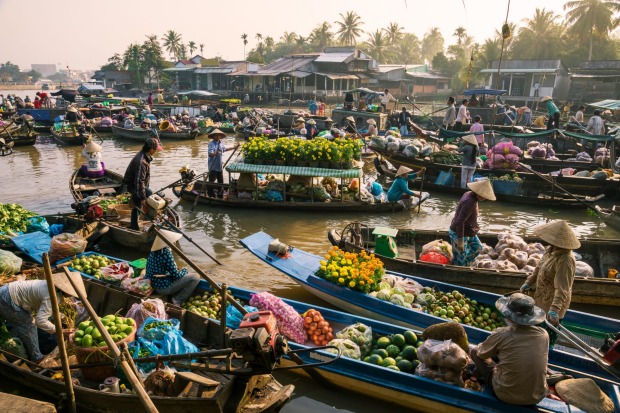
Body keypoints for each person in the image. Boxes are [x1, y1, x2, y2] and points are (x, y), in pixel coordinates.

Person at [470, 293, 549, 406]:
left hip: (505, 394)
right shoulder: (544, 335)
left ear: (508, 316)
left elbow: (480, 353)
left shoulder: (502, 333)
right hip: (536, 396)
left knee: (474, 352)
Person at [0, 271, 85, 361]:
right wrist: (61, 331)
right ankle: (37, 358)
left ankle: (16, 342)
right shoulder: (52, 296)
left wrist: (61, 317)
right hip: (6, 300)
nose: (72, 295)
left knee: (23, 324)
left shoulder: (51, 287)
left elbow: (47, 309)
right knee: (29, 325)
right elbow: (40, 321)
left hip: (7, 291)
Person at [522, 219, 580, 346]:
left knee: (546, 339)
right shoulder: (550, 250)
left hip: (552, 305)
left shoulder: (565, 260)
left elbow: (563, 288)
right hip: (540, 299)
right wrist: (529, 282)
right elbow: (538, 268)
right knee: (536, 334)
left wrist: (554, 310)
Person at [145, 230, 200, 306]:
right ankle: (177, 300)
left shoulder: (153, 251)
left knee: (180, 272)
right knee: (195, 277)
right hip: (162, 287)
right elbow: (176, 275)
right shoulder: (166, 252)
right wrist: (185, 270)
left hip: (153, 283)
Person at [449, 179, 496, 266]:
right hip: (458, 233)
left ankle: (464, 262)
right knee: (460, 258)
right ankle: (459, 266)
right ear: (479, 194)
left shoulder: (469, 194)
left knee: (477, 248)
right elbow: (460, 222)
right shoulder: (469, 202)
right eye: (484, 196)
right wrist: (460, 241)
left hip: (468, 231)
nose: (485, 198)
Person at [123, 137, 162, 230]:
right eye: (156, 149)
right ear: (151, 149)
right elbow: (139, 181)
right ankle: (135, 227)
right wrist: (143, 198)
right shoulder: (141, 161)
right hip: (133, 185)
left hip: (137, 184)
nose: (156, 151)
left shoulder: (145, 156)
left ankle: (144, 219)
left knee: (147, 196)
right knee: (140, 202)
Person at [206, 129, 227, 198]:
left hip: (219, 165)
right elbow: (210, 153)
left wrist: (234, 147)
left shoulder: (221, 143)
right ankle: (211, 195)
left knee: (220, 181)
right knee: (211, 181)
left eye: (219, 135)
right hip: (213, 166)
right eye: (216, 135)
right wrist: (215, 154)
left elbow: (224, 149)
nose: (218, 136)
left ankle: (220, 194)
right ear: (213, 136)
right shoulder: (211, 144)